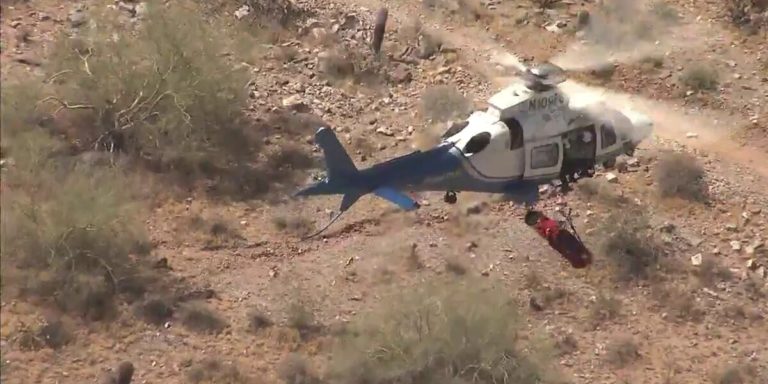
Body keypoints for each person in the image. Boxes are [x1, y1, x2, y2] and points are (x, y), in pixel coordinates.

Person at [524, 210, 592, 269]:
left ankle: (583, 260)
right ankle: (583, 261)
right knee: (573, 250)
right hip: (557, 237)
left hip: (559, 236)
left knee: (573, 249)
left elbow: (552, 228)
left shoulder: (544, 223)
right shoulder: (542, 225)